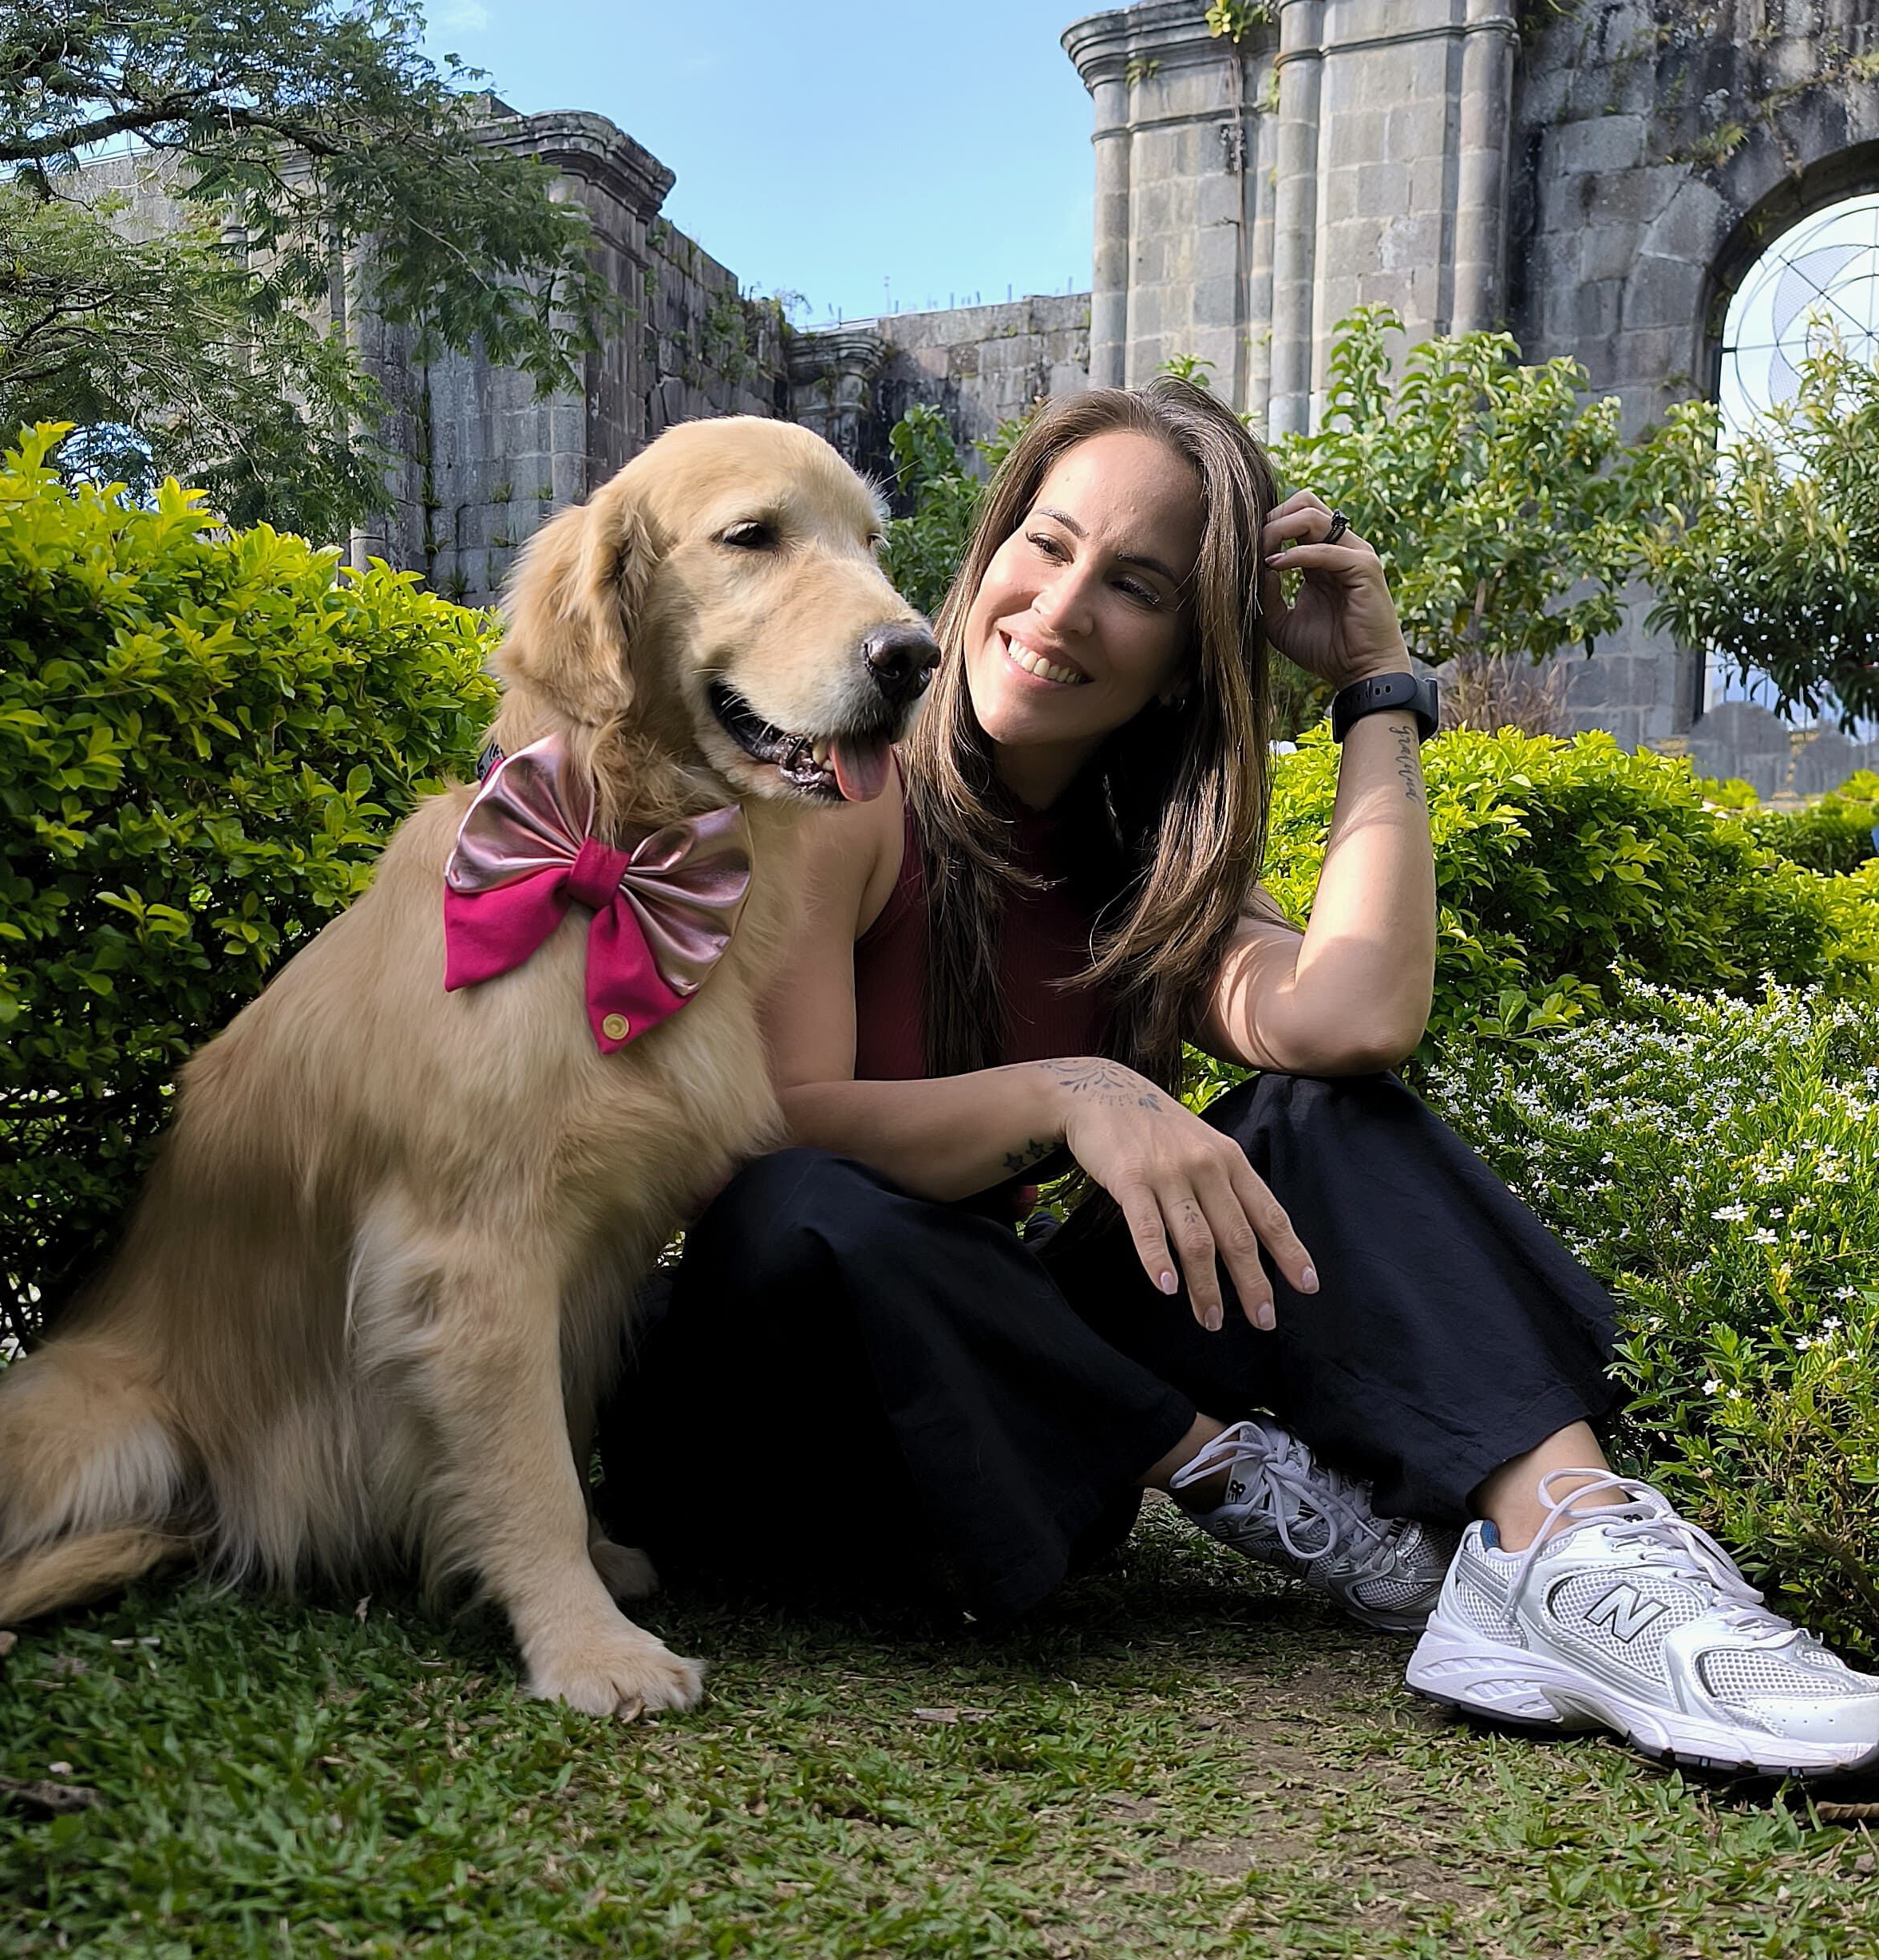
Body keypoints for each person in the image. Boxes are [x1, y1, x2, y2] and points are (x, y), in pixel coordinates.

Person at [598, 379, 1879, 1779]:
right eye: (1048, 540)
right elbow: (781, 1121)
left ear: (1186, 656)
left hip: (1006, 1408)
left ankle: (1578, 1555)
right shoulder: (847, 785)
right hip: (781, 1412)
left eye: (1136, 584)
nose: (1064, 605)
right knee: (799, 1209)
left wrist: (1377, 692)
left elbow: (1354, 1018)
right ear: (986, 551)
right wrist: (1076, 1092)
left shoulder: (1141, 874)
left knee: (1323, 1117)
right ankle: (1237, 1473)